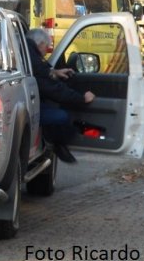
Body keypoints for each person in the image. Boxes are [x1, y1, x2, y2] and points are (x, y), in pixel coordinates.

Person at [26, 28, 95, 163]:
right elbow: (52, 89)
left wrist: (55, 72)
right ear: (39, 44)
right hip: (31, 108)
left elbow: (41, 72)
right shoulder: (32, 56)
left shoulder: (28, 53)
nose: (46, 52)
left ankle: (53, 143)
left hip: (30, 103)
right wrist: (81, 98)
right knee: (62, 116)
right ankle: (55, 145)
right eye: (47, 47)